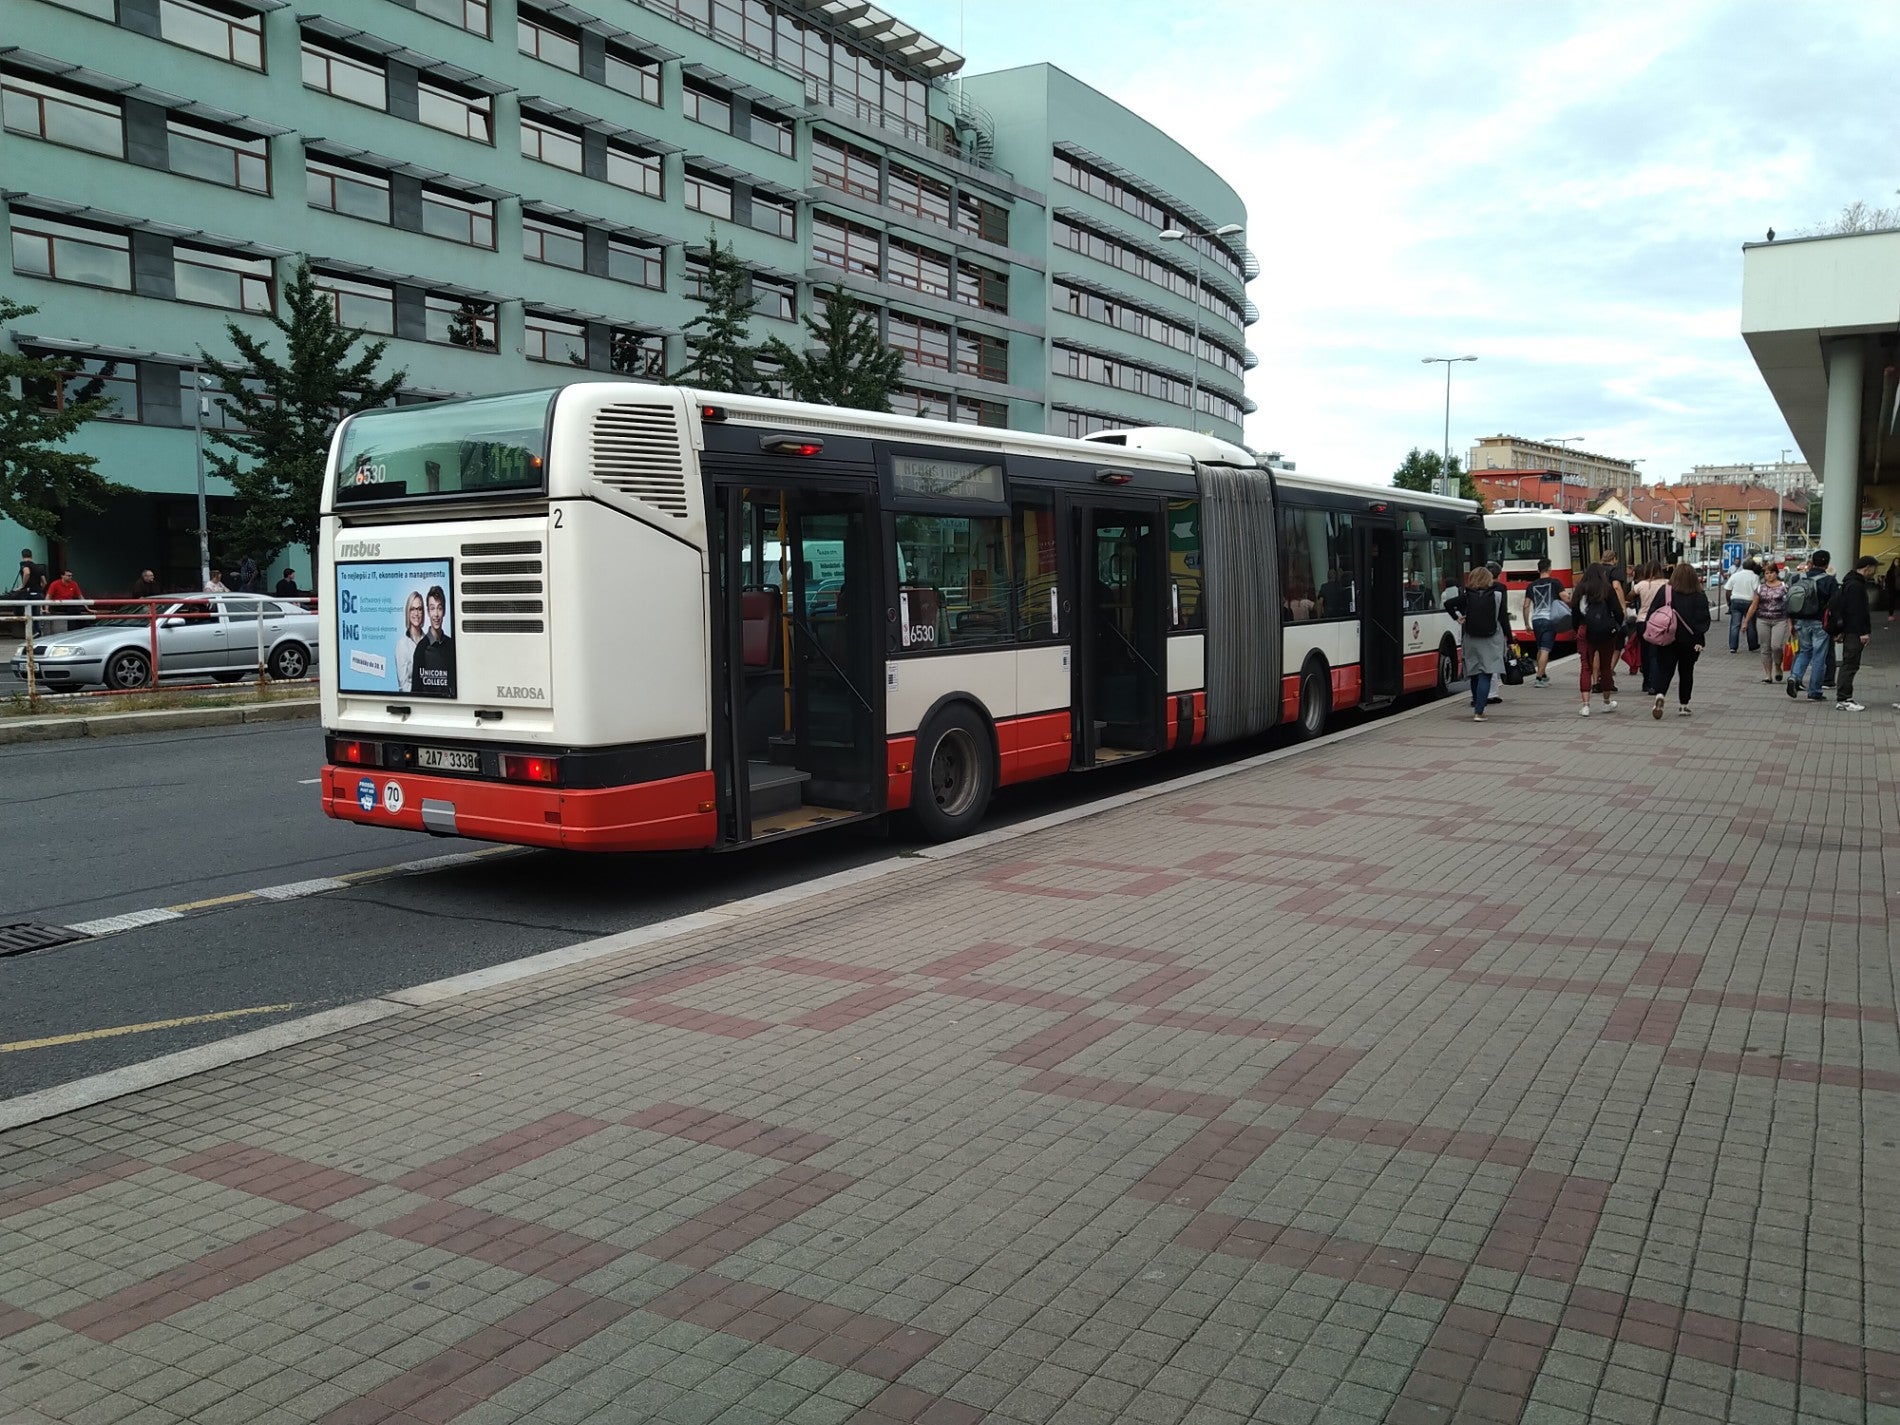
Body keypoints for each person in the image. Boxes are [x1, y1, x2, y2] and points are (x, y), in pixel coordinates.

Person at [1646, 562, 1712, 717]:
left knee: (1665, 669)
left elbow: (1652, 613)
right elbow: (1703, 620)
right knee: (1686, 672)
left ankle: (1660, 695)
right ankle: (1683, 705)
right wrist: (1699, 640)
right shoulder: (1699, 595)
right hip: (1690, 641)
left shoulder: (1665, 591)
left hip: (1667, 637)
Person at [1446, 566, 1507, 721]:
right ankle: (1479, 711)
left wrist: (1457, 617)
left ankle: (1476, 704)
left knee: (1474, 674)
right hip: (1491, 639)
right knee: (1486, 674)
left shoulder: (1467, 596)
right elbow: (1503, 619)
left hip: (1471, 638)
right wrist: (1511, 640)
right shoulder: (1497, 595)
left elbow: (1448, 604)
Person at [1572, 563, 1623, 716]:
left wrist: (1577, 629)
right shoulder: (1607, 589)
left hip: (1584, 630)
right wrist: (1616, 626)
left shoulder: (1580, 589)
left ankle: (1586, 705)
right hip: (1605, 631)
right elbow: (1618, 612)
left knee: (1585, 667)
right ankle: (1606, 702)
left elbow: (1574, 612)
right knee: (1605, 667)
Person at [1786, 549, 1837, 702]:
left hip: (1801, 620)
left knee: (1804, 651)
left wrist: (1791, 621)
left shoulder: (1798, 578)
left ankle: (1795, 677)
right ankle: (1815, 691)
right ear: (1827, 563)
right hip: (1820, 622)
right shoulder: (1829, 581)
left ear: (1812, 562)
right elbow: (1835, 603)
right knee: (1819, 657)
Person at [1827, 555, 1876, 711]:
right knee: (1850, 664)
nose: (1874, 572)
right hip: (1854, 632)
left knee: (1849, 664)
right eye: (1874, 568)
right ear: (1867, 567)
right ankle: (1844, 698)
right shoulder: (1856, 586)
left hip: (1849, 630)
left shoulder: (1849, 583)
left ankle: (1844, 697)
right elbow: (1856, 612)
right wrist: (1863, 632)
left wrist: (1841, 631)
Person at [1520, 556, 1569, 687]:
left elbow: (1526, 605)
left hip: (1536, 620)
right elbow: (1565, 597)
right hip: (1549, 619)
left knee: (1540, 648)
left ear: (1538, 570)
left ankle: (1543, 674)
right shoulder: (1555, 582)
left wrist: (1526, 624)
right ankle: (1538, 678)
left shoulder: (1531, 585)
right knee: (1545, 649)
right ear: (1550, 569)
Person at [1743, 562, 1790, 683]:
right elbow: (1754, 605)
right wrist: (1746, 621)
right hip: (1762, 620)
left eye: (1771, 572)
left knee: (1776, 646)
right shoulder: (1760, 588)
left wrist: (1791, 623)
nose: (1769, 575)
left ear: (1776, 573)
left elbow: (1789, 606)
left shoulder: (1784, 587)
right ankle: (1768, 675)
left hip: (1780, 620)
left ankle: (1778, 666)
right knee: (1765, 647)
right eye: (1766, 573)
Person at [1627, 561, 1667, 694]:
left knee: (1645, 652)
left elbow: (1629, 596)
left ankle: (1646, 682)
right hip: (1661, 622)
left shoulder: (1642, 585)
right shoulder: (1667, 584)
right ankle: (1656, 682)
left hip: (1643, 621)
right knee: (1658, 653)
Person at [411, 584, 456, 697]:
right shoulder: (421, 649)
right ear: (428, 612)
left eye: (439, 608)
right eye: (432, 608)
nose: (436, 614)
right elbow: (415, 692)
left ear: (444, 611)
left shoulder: (452, 645)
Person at [1724, 558, 1761, 653]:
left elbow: (1728, 590)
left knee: (1735, 624)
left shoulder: (1735, 575)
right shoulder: (1755, 577)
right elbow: (1757, 591)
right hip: (1749, 602)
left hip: (1735, 601)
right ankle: (1753, 645)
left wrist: (1729, 602)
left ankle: (1733, 646)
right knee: (1751, 624)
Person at [395, 590, 425, 693]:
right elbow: (403, 685)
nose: (416, 613)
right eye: (412, 609)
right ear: (408, 612)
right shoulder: (402, 645)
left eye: (419, 609)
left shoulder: (429, 641)